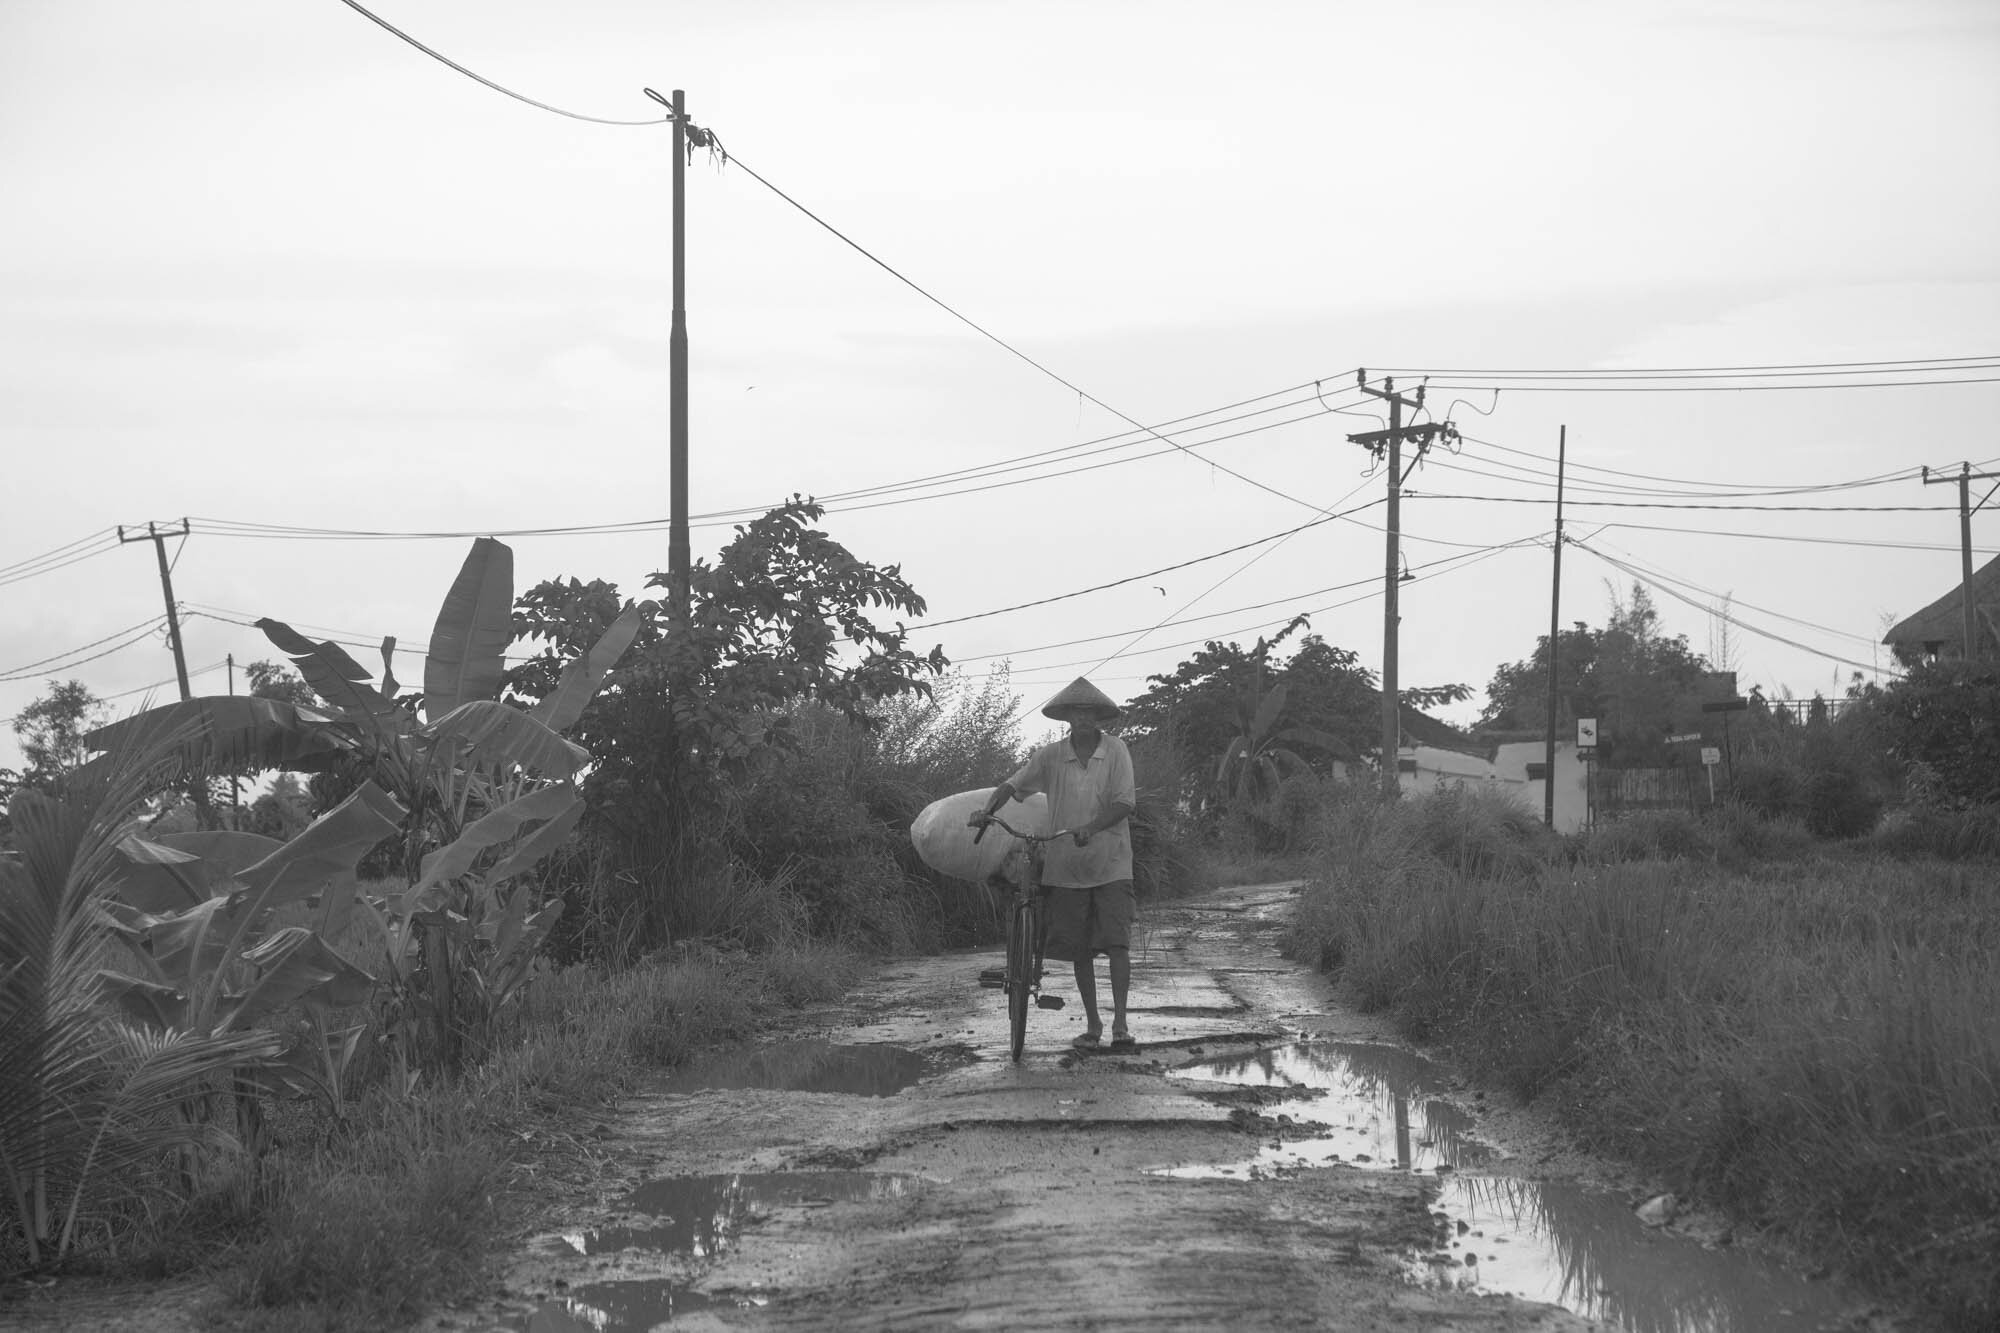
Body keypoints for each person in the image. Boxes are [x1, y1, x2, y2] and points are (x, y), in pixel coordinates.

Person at [969, 676, 1138, 1051]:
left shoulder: (1116, 751)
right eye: (1076, 712)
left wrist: (1091, 828)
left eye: (1089, 712)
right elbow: (1013, 785)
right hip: (1066, 866)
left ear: (1098, 717)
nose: (1082, 718)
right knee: (1080, 951)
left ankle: (1121, 1024)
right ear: (1067, 717)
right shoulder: (1050, 756)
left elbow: (1125, 803)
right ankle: (1093, 1024)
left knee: (1117, 945)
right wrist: (987, 810)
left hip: (1111, 862)